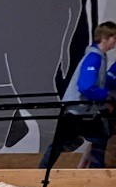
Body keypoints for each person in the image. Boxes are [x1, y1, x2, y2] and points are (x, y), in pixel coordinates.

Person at [39, 21, 116, 171]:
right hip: (76, 110)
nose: (115, 42)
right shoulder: (94, 57)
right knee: (61, 143)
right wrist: (106, 96)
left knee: (98, 138)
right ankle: (42, 172)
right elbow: (86, 87)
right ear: (104, 38)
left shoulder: (99, 56)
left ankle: (94, 172)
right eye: (114, 38)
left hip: (85, 110)